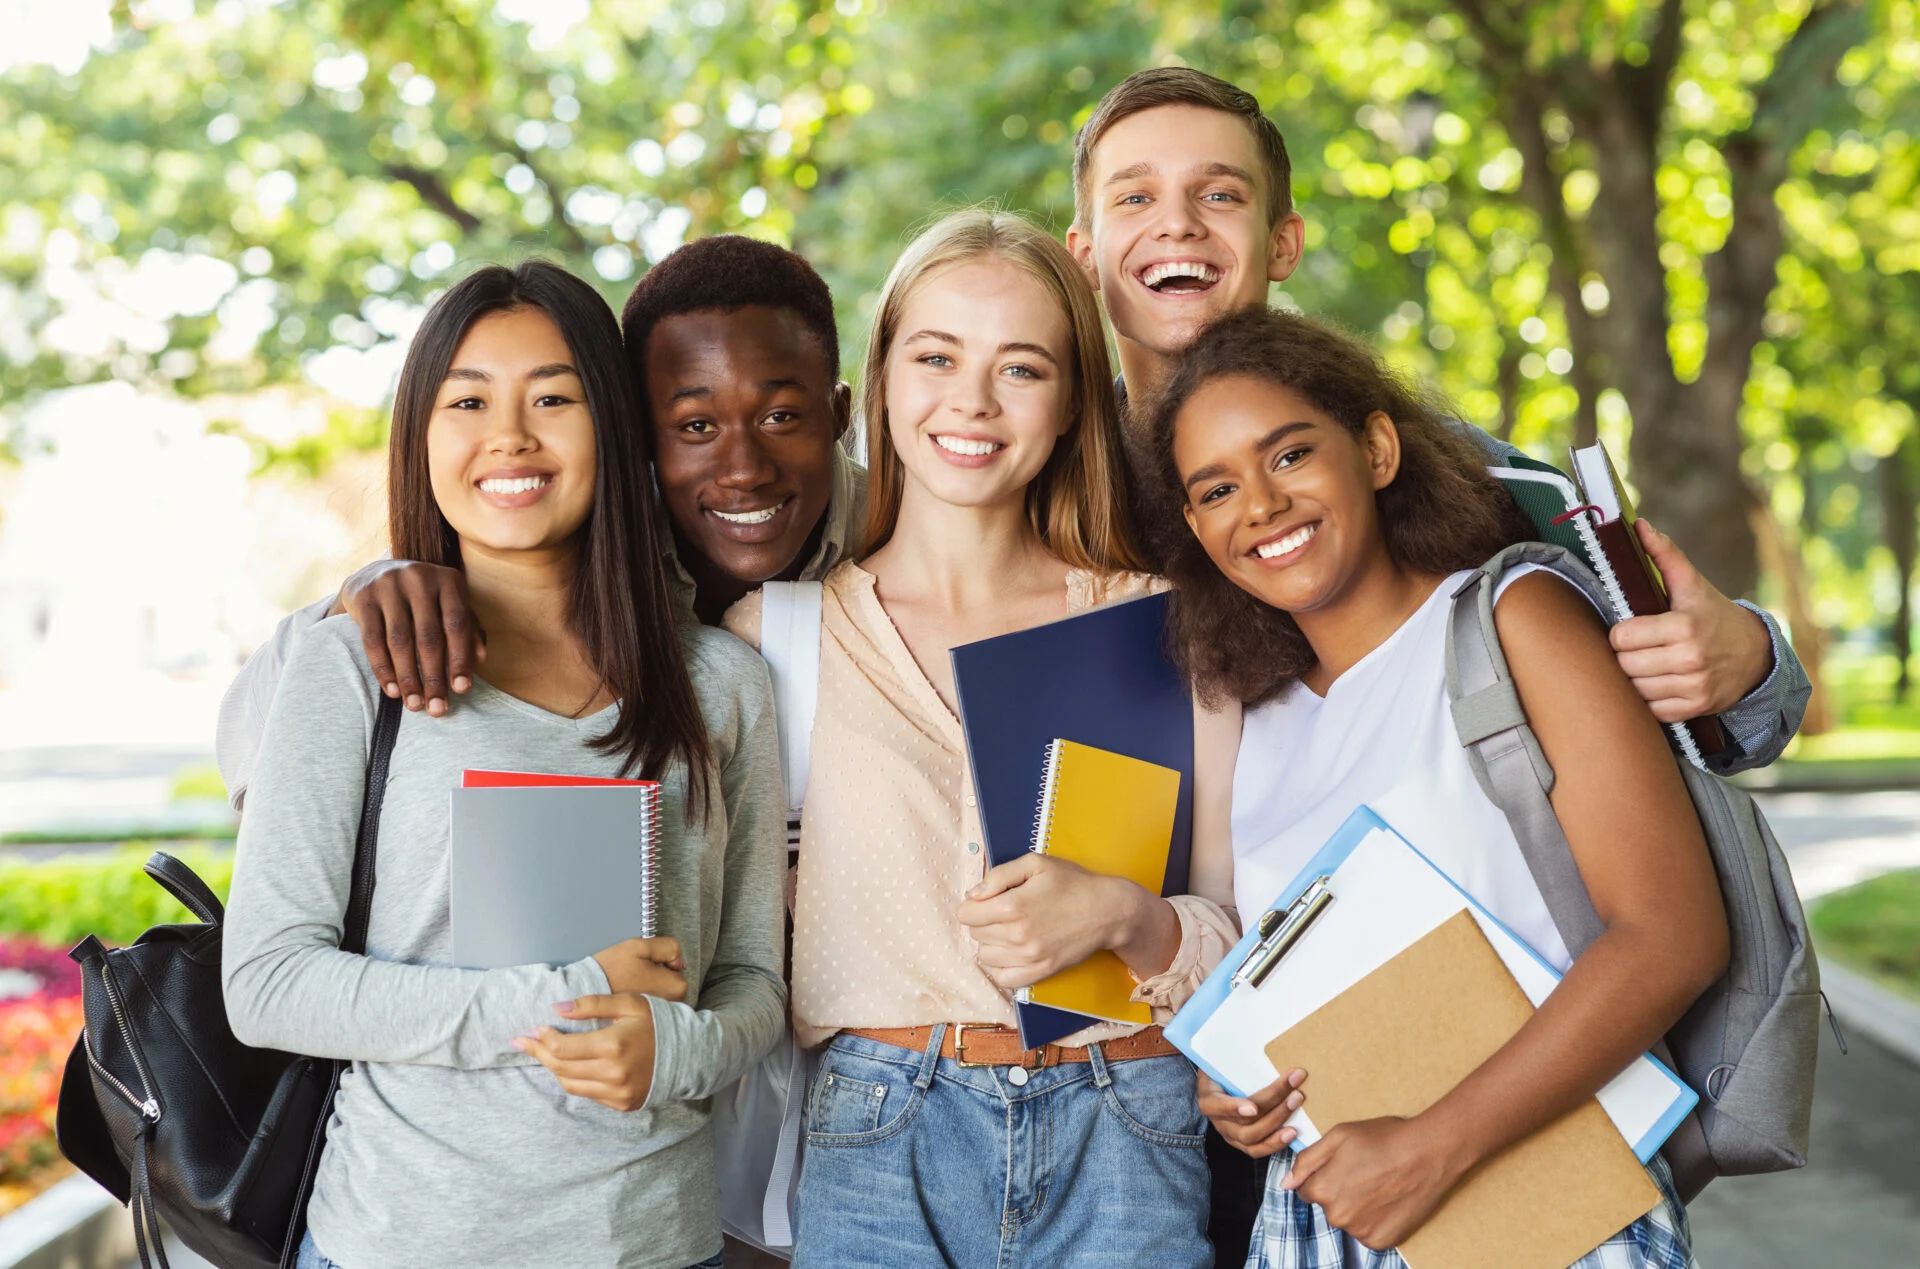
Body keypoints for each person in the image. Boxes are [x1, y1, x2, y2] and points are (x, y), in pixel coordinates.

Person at [1062, 66, 1805, 1260]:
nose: (1179, 226)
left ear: (1285, 238)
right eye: (1137, 198)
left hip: (1500, 1148)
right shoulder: (1035, 494)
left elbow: (1690, 729)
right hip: (1154, 1130)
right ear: (1087, 249)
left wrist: (1754, 657)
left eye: (1220, 194)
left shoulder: (1492, 497)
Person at [220, 261, 787, 1269]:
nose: (511, 435)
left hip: (654, 1241)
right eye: (468, 400)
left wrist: (675, 1049)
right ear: (422, 435)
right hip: (399, 1239)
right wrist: (561, 995)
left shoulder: (723, 684)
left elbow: (751, 980)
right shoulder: (351, 663)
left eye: (555, 398)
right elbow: (267, 983)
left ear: (611, 428)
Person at [720, 210, 1241, 1267]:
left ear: (1069, 405)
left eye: (1021, 368)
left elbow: (1248, 931)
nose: (972, 400)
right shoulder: (778, 639)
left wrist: (1126, 919)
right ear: (881, 381)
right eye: (937, 356)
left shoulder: (1165, 626)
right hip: (878, 1136)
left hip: (1127, 1131)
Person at [1157, 306, 1724, 1269]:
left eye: (1290, 455)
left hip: (1543, 1203)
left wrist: (1433, 1147)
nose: (1259, 504)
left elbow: (1673, 938)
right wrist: (1245, 1088)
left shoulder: (1512, 616)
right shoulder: (1254, 717)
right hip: (1325, 1221)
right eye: (1216, 487)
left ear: (1376, 447)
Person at [213, 236, 864, 804]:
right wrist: (354, 603)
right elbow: (252, 757)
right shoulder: (565, 543)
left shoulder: (904, 537)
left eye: (780, 417)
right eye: (695, 425)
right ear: (635, 431)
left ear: (838, 414)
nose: (743, 468)